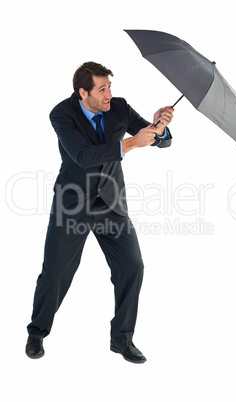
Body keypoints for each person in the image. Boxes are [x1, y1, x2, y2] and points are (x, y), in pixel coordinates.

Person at [26, 61, 174, 363]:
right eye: (102, 89)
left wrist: (159, 127)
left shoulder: (118, 108)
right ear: (83, 92)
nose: (109, 94)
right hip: (73, 202)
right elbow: (82, 156)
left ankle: (122, 339)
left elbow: (162, 142)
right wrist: (133, 143)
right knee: (54, 273)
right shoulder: (62, 114)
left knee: (133, 266)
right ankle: (37, 331)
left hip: (110, 202)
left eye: (110, 87)